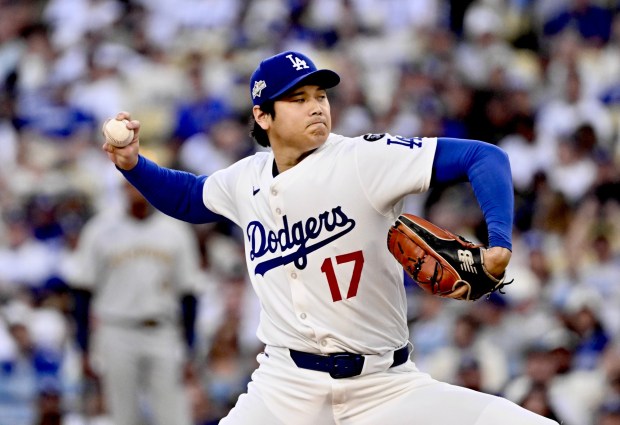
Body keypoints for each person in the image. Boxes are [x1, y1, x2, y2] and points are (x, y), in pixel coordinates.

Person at [102, 51, 559, 424]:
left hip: (384, 385)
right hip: (285, 387)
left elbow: (484, 157)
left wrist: (499, 243)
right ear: (262, 115)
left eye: (320, 95)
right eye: (298, 98)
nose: (317, 106)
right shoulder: (246, 178)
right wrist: (134, 166)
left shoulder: (363, 158)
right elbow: (188, 197)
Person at [66, 180, 201, 425]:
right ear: (122, 190)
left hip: (163, 330)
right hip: (116, 329)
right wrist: (83, 347)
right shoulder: (100, 229)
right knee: (122, 415)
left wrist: (189, 347)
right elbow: (82, 292)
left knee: (174, 415)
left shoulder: (175, 230)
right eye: (130, 185)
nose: (137, 191)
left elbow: (189, 294)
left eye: (141, 184)